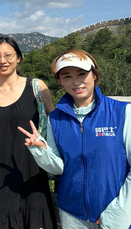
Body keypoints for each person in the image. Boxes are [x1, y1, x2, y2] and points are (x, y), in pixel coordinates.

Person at [19, 49, 131, 228]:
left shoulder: (122, 113)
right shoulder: (55, 119)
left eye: (82, 74)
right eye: (67, 76)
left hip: (114, 212)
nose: (76, 81)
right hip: (72, 213)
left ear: (94, 75)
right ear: (60, 81)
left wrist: (118, 213)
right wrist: (40, 149)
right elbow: (57, 168)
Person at [0, 37, 56, 228]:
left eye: (8, 55)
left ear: (19, 57)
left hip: (31, 169)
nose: (2, 61)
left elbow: (57, 123)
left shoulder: (37, 86)